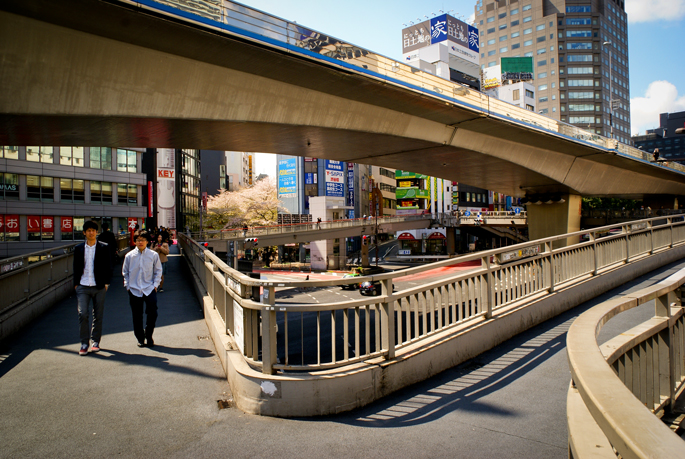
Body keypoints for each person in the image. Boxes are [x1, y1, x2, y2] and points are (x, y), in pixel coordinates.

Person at [73, 220, 112, 355]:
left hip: (99, 286)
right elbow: (76, 267)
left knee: (98, 315)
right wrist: (76, 284)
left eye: (93, 230)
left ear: (97, 232)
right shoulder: (78, 248)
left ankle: (95, 341)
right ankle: (84, 343)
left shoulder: (103, 247)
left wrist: (106, 283)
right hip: (83, 285)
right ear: (84, 233)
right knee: (82, 313)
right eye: (88, 230)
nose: (91, 233)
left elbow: (108, 266)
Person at [122, 231, 163, 348]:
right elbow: (125, 272)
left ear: (147, 241)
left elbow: (158, 271)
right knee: (137, 315)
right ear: (135, 241)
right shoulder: (129, 256)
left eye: (143, 240)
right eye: (138, 240)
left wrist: (155, 285)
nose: (140, 242)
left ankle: (148, 335)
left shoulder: (153, 255)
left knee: (153, 313)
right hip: (134, 289)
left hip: (149, 288)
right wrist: (128, 286)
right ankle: (140, 338)